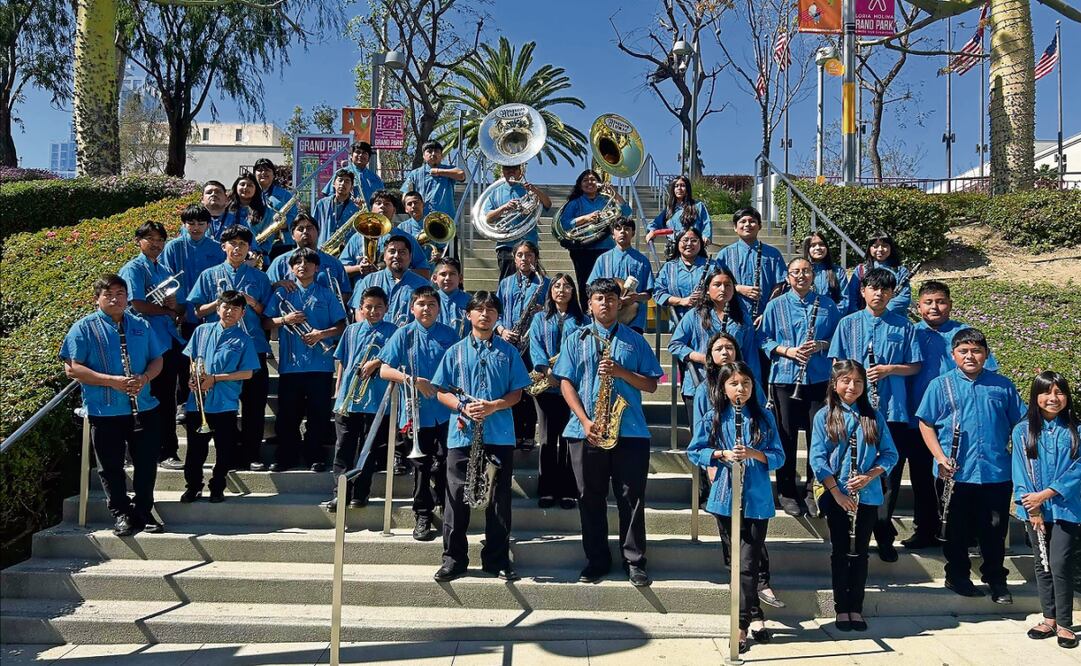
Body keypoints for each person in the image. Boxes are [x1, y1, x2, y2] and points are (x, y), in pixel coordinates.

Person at [554, 278, 663, 587]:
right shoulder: (575, 339)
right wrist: (585, 421)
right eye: (599, 298)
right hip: (586, 430)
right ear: (589, 304)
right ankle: (596, 560)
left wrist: (621, 372)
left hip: (630, 431)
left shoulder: (635, 340)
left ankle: (634, 561)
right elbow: (565, 382)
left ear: (620, 303)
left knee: (631, 497)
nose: (606, 303)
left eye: (612, 299)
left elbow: (652, 383)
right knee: (590, 497)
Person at [917, 327, 1024, 604]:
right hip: (954, 471)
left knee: (995, 528)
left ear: (986, 355)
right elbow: (925, 423)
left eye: (976, 350)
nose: (970, 355)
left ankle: (996, 579)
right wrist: (940, 457)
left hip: (995, 471)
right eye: (963, 351)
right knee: (957, 528)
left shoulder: (1003, 385)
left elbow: (1022, 423)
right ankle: (957, 575)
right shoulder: (940, 385)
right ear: (953, 355)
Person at [432, 291, 531, 582]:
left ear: (498, 316)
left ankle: (497, 560)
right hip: (462, 436)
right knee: (455, 499)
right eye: (479, 309)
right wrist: (462, 406)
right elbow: (441, 390)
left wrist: (493, 406)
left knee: (499, 500)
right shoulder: (455, 351)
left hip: (498, 434)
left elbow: (517, 393)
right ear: (468, 315)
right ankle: (454, 559)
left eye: (491, 309)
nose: (485, 314)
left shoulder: (509, 352)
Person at [687, 361, 783, 654]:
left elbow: (779, 456)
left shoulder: (764, 417)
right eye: (734, 384)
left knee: (749, 562)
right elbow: (695, 451)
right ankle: (755, 615)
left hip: (756, 499)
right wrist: (719, 453)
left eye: (746, 383)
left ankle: (740, 626)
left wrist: (754, 453)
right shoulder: (713, 416)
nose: (740, 389)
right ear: (723, 388)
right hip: (725, 498)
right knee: (737, 563)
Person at [828, 267, 922, 563]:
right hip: (855, 408)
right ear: (863, 291)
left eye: (885, 289)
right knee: (853, 466)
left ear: (892, 293)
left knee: (888, 473)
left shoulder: (904, 325)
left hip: (892, 409)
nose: (878, 293)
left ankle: (883, 532)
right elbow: (836, 365)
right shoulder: (847, 323)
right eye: (873, 288)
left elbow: (915, 366)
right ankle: (855, 529)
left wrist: (889, 369)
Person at [61, 274, 167, 536]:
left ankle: (143, 510)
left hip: (143, 406)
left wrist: (144, 378)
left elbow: (157, 360)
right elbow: (71, 369)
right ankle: (121, 513)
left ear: (127, 297)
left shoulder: (141, 325)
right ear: (97, 299)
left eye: (120, 293)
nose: (115, 298)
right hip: (104, 410)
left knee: (145, 464)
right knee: (110, 466)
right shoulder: (83, 328)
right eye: (108, 294)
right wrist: (112, 382)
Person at [904, 280, 998, 549]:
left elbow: (988, 372)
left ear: (950, 304)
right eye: (928, 302)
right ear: (919, 307)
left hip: (961, 421)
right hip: (920, 419)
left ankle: (964, 532)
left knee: (962, 481)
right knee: (923, 479)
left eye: (941, 301)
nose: (935, 307)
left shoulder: (965, 335)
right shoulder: (912, 333)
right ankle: (925, 529)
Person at [810, 360, 898, 633]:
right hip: (836, 494)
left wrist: (870, 475)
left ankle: (855, 607)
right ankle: (841, 607)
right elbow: (817, 458)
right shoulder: (823, 415)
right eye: (846, 381)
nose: (852, 386)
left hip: (867, 495)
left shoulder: (874, 416)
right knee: (840, 551)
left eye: (858, 382)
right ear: (834, 385)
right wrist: (836, 492)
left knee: (860, 552)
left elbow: (890, 454)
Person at [759, 258, 842, 517]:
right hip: (785, 377)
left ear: (813, 275)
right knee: (786, 435)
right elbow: (764, 339)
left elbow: (838, 338)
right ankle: (786, 490)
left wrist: (822, 346)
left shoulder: (828, 305)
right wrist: (788, 351)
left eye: (806, 271)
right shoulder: (775, 305)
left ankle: (812, 489)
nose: (801, 276)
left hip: (819, 378)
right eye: (795, 272)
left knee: (818, 436)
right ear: (787, 276)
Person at [187, 225, 273, 471]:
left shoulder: (259, 277)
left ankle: (251, 453)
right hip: (218, 351)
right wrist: (220, 301)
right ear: (223, 247)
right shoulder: (209, 274)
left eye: (243, 245)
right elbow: (196, 311)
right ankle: (228, 454)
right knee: (223, 407)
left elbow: (267, 315)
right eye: (232, 244)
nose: (237, 248)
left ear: (249, 249)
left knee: (254, 404)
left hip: (252, 345)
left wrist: (250, 301)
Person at [378, 286, 458, 540]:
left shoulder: (450, 334)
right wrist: (412, 380)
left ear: (439, 308)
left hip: (447, 411)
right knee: (421, 466)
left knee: (448, 462)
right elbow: (384, 370)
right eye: (421, 304)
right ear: (412, 308)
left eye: (432, 304)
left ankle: (449, 510)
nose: (426, 308)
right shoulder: (404, 334)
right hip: (417, 413)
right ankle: (422, 513)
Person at [1012, 371, 1079, 649]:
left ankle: (1065, 622)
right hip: (1035, 510)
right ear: (1035, 396)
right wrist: (1033, 507)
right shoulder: (1022, 430)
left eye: (1059, 392)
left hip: (1067, 508)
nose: (1053, 398)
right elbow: (1020, 471)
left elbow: (1079, 470)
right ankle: (1048, 618)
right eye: (1046, 392)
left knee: (1061, 562)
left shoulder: (1076, 429)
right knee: (1043, 563)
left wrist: (1049, 493)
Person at [265, 248, 347, 472]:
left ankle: (315, 456)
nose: (303, 266)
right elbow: (265, 323)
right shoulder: (282, 294)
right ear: (291, 268)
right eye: (298, 262)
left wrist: (321, 334)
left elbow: (342, 325)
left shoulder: (326, 293)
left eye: (308, 262)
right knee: (288, 415)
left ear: (317, 268)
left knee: (318, 414)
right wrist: (285, 318)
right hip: (290, 366)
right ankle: (286, 456)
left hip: (320, 364)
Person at [119, 220, 186, 470]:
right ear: (139, 241)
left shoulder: (163, 267)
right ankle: (144, 450)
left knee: (166, 398)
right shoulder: (134, 268)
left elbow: (170, 306)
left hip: (166, 340)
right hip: (143, 342)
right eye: (151, 239)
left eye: (160, 240)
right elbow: (136, 304)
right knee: (148, 397)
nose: (156, 244)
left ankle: (168, 450)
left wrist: (172, 307)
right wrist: (164, 311)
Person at [180, 290, 258, 503]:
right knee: (195, 450)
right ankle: (193, 486)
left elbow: (248, 372)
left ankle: (217, 486)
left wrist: (215, 378)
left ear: (242, 313)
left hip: (225, 402)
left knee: (224, 450)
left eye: (235, 308)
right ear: (217, 308)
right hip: (198, 402)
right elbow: (191, 360)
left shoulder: (244, 340)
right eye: (226, 306)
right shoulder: (202, 331)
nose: (229, 311)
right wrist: (192, 378)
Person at [327, 287, 399, 512]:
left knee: (369, 450)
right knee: (343, 448)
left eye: (378, 307)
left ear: (386, 308)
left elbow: (395, 358)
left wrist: (376, 362)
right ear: (360, 308)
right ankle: (341, 493)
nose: (373, 311)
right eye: (368, 306)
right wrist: (339, 391)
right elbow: (343, 362)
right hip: (350, 398)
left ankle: (361, 492)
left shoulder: (394, 331)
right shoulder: (350, 331)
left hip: (377, 400)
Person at [669, 267, 762, 427]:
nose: (723, 289)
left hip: (734, 388)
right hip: (700, 383)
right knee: (702, 436)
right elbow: (675, 344)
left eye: (728, 285)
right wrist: (703, 358)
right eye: (717, 285)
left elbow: (750, 356)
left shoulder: (743, 318)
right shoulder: (694, 315)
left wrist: (753, 385)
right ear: (707, 289)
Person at [528, 273, 588, 509]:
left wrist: (564, 375)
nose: (561, 290)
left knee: (568, 440)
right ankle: (546, 490)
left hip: (572, 387)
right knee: (546, 439)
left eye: (567, 286)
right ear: (550, 291)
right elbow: (535, 348)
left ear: (573, 292)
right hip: (546, 386)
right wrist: (546, 372)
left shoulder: (582, 320)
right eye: (557, 286)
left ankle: (568, 490)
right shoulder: (539, 319)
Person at [163, 204, 226, 423]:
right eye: (191, 223)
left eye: (201, 223)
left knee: (210, 361)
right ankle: (183, 402)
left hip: (211, 316)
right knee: (184, 362)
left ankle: (210, 401)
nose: (196, 227)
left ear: (209, 225)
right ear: (184, 225)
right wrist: (177, 307)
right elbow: (168, 281)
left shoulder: (218, 248)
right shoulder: (173, 248)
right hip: (184, 315)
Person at [495, 240, 550, 450]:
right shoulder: (505, 283)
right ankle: (514, 433)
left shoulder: (545, 283)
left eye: (529, 255)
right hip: (510, 342)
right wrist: (501, 331)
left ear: (535, 258)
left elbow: (554, 311)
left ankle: (528, 434)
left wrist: (542, 312)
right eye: (520, 255)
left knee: (530, 390)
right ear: (514, 258)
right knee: (512, 390)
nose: (524, 259)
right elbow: (496, 313)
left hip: (533, 343)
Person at [557, 169, 631, 305]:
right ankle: (587, 314)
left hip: (606, 249)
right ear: (580, 185)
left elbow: (626, 212)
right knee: (586, 285)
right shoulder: (574, 203)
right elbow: (564, 224)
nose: (589, 182)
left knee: (607, 284)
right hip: (582, 250)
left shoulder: (606, 199)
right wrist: (586, 218)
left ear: (599, 183)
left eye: (593, 179)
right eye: (585, 180)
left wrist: (614, 194)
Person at [713, 207, 786, 323]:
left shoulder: (773, 254)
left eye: (752, 221)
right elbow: (715, 284)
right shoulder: (724, 254)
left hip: (765, 316)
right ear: (735, 228)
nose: (747, 225)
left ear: (760, 226)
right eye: (742, 221)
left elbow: (779, 285)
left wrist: (768, 311)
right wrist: (738, 288)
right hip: (732, 315)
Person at [481, 163, 552, 280]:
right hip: (505, 244)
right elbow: (488, 218)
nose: (511, 171)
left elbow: (548, 204)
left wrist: (535, 190)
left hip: (529, 242)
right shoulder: (495, 192)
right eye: (507, 168)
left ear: (521, 171)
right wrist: (504, 207)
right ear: (502, 171)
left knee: (531, 280)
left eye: (515, 168)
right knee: (507, 281)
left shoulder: (529, 190)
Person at [266, 212, 351, 309]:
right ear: (292, 235)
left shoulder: (334, 263)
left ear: (318, 232)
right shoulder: (280, 262)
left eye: (309, 228)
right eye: (300, 229)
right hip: (292, 321)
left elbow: (345, 292)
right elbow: (266, 289)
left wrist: (332, 311)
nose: (305, 232)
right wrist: (277, 284)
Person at [341, 190, 431, 280]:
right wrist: (358, 268)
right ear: (371, 209)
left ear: (394, 210)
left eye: (387, 204)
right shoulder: (357, 237)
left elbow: (425, 273)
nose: (382, 206)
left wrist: (396, 270)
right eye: (378, 203)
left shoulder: (406, 238)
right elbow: (340, 270)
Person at [587, 216, 654, 334]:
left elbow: (648, 294)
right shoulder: (603, 259)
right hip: (607, 316)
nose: (622, 231)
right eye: (618, 229)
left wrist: (635, 297)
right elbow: (590, 288)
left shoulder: (642, 261)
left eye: (627, 228)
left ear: (633, 233)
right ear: (613, 234)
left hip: (634, 318)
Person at [347, 235, 430, 324]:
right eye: (392, 251)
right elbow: (359, 312)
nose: (397, 256)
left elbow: (428, 315)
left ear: (410, 257)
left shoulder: (422, 285)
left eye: (402, 252)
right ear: (384, 256)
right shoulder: (369, 280)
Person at [653, 226, 710, 331]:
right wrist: (682, 301)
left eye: (694, 240)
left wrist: (706, 296)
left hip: (707, 321)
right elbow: (658, 293)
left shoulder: (712, 266)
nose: (689, 244)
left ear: (700, 243)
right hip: (678, 322)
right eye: (685, 240)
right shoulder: (668, 267)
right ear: (677, 243)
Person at [847, 231, 912, 316]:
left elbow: (904, 297)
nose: (880, 249)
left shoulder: (901, 271)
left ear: (891, 248)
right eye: (875, 246)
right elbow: (852, 296)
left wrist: (882, 311)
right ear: (869, 249)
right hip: (866, 319)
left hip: (894, 319)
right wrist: (859, 316)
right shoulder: (861, 270)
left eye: (885, 245)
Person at [401, 140, 465, 218]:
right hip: (422, 218)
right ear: (423, 156)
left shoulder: (449, 169)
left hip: (445, 218)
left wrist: (439, 171)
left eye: (437, 151)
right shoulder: (415, 174)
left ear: (441, 155)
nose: (433, 154)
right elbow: (406, 195)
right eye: (429, 151)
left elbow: (461, 175)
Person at [646, 175, 712, 244]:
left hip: (692, 247)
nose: (679, 188)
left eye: (682, 185)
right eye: (676, 186)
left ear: (687, 188)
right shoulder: (670, 209)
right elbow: (655, 223)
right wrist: (652, 231)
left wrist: (706, 236)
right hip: (674, 249)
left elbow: (706, 223)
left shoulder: (698, 206)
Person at [253, 157, 297, 257]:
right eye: (259, 170)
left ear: (273, 174)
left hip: (280, 243)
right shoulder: (250, 194)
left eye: (267, 170)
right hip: (254, 244)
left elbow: (295, 217)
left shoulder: (285, 195)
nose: (263, 172)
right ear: (254, 174)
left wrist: (285, 224)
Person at [228, 172, 275, 261]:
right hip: (229, 256)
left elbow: (269, 239)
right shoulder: (227, 209)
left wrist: (256, 253)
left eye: (250, 185)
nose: (245, 188)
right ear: (236, 187)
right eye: (242, 184)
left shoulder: (265, 211)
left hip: (255, 258)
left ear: (256, 189)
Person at [323, 140, 385, 206]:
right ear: (351, 155)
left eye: (364, 153)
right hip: (344, 215)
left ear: (369, 157)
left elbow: (382, 201)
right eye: (358, 152)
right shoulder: (340, 174)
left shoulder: (376, 179)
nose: (361, 155)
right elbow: (328, 197)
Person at [802, 232, 850, 314]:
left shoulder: (838, 272)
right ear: (807, 249)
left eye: (821, 244)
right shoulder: (802, 272)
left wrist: (832, 316)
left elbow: (844, 300)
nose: (818, 248)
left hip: (833, 319)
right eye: (813, 245)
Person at [313, 169, 361, 249]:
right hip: (323, 249)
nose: (343, 184)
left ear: (352, 187)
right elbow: (313, 227)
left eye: (347, 181)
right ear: (333, 184)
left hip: (347, 250)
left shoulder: (357, 207)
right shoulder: (321, 204)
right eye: (340, 180)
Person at [432, 256, 470, 338]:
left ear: (460, 278)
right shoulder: (429, 301)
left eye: (452, 274)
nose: (447, 278)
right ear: (435, 278)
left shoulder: (470, 301)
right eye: (443, 274)